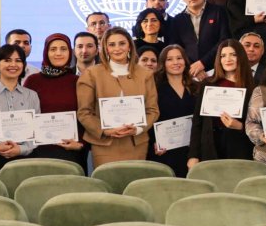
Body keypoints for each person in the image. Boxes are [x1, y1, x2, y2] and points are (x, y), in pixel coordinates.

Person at [77, 28, 159, 166]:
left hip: (136, 144)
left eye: (122, 43)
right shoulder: (92, 74)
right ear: (105, 48)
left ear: (129, 46)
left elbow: (152, 110)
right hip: (105, 145)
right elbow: (84, 113)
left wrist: (138, 129)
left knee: (134, 186)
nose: (117, 48)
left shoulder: (145, 74)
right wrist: (105, 130)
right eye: (112, 44)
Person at [24, 34, 88, 167]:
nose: (58, 53)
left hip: (71, 150)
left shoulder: (78, 81)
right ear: (46, 52)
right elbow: (25, 115)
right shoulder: (33, 80)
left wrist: (81, 143)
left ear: (70, 52)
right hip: (38, 151)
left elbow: (86, 115)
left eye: (63, 49)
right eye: (53, 49)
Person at [190, 40, 256, 167]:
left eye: (233, 54)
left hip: (240, 148)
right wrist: (193, 155)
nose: (228, 59)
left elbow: (259, 126)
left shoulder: (253, 87)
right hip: (210, 148)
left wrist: (240, 126)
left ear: (240, 57)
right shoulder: (208, 84)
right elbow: (198, 122)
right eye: (223, 55)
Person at [0, 45, 40, 173]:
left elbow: (37, 130)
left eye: (18, 61)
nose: (13, 64)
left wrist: (22, 149)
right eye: (7, 60)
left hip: (25, 160)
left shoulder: (32, 95)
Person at [150, 44, 200, 177]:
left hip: (192, 151)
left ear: (185, 61)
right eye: (170, 59)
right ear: (163, 63)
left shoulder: (197, 87)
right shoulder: (154, 89)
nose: (176, 62)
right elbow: (150, 116)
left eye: (179, 58)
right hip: (164, 151)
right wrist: (154, 143)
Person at [166, 0, 228, 77]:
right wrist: (193, 67)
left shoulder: (218, 12)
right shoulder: (177, 20)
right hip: (190, 73)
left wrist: (203, 63)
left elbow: (224, 40)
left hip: (218, 69)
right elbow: (176, 47)